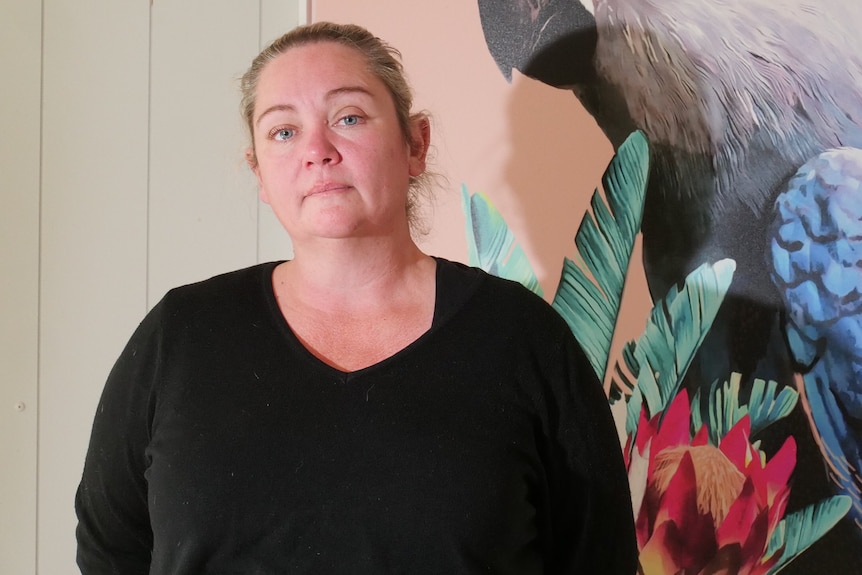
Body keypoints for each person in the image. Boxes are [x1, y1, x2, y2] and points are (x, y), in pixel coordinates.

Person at [75, 21, 637, 574]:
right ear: (260, 174)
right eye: (283, 131)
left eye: (349, 117)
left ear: (415, 144)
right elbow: (109, 548)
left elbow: (598, 557)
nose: (317, 150)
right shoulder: (181, 335)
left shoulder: (522, 339)